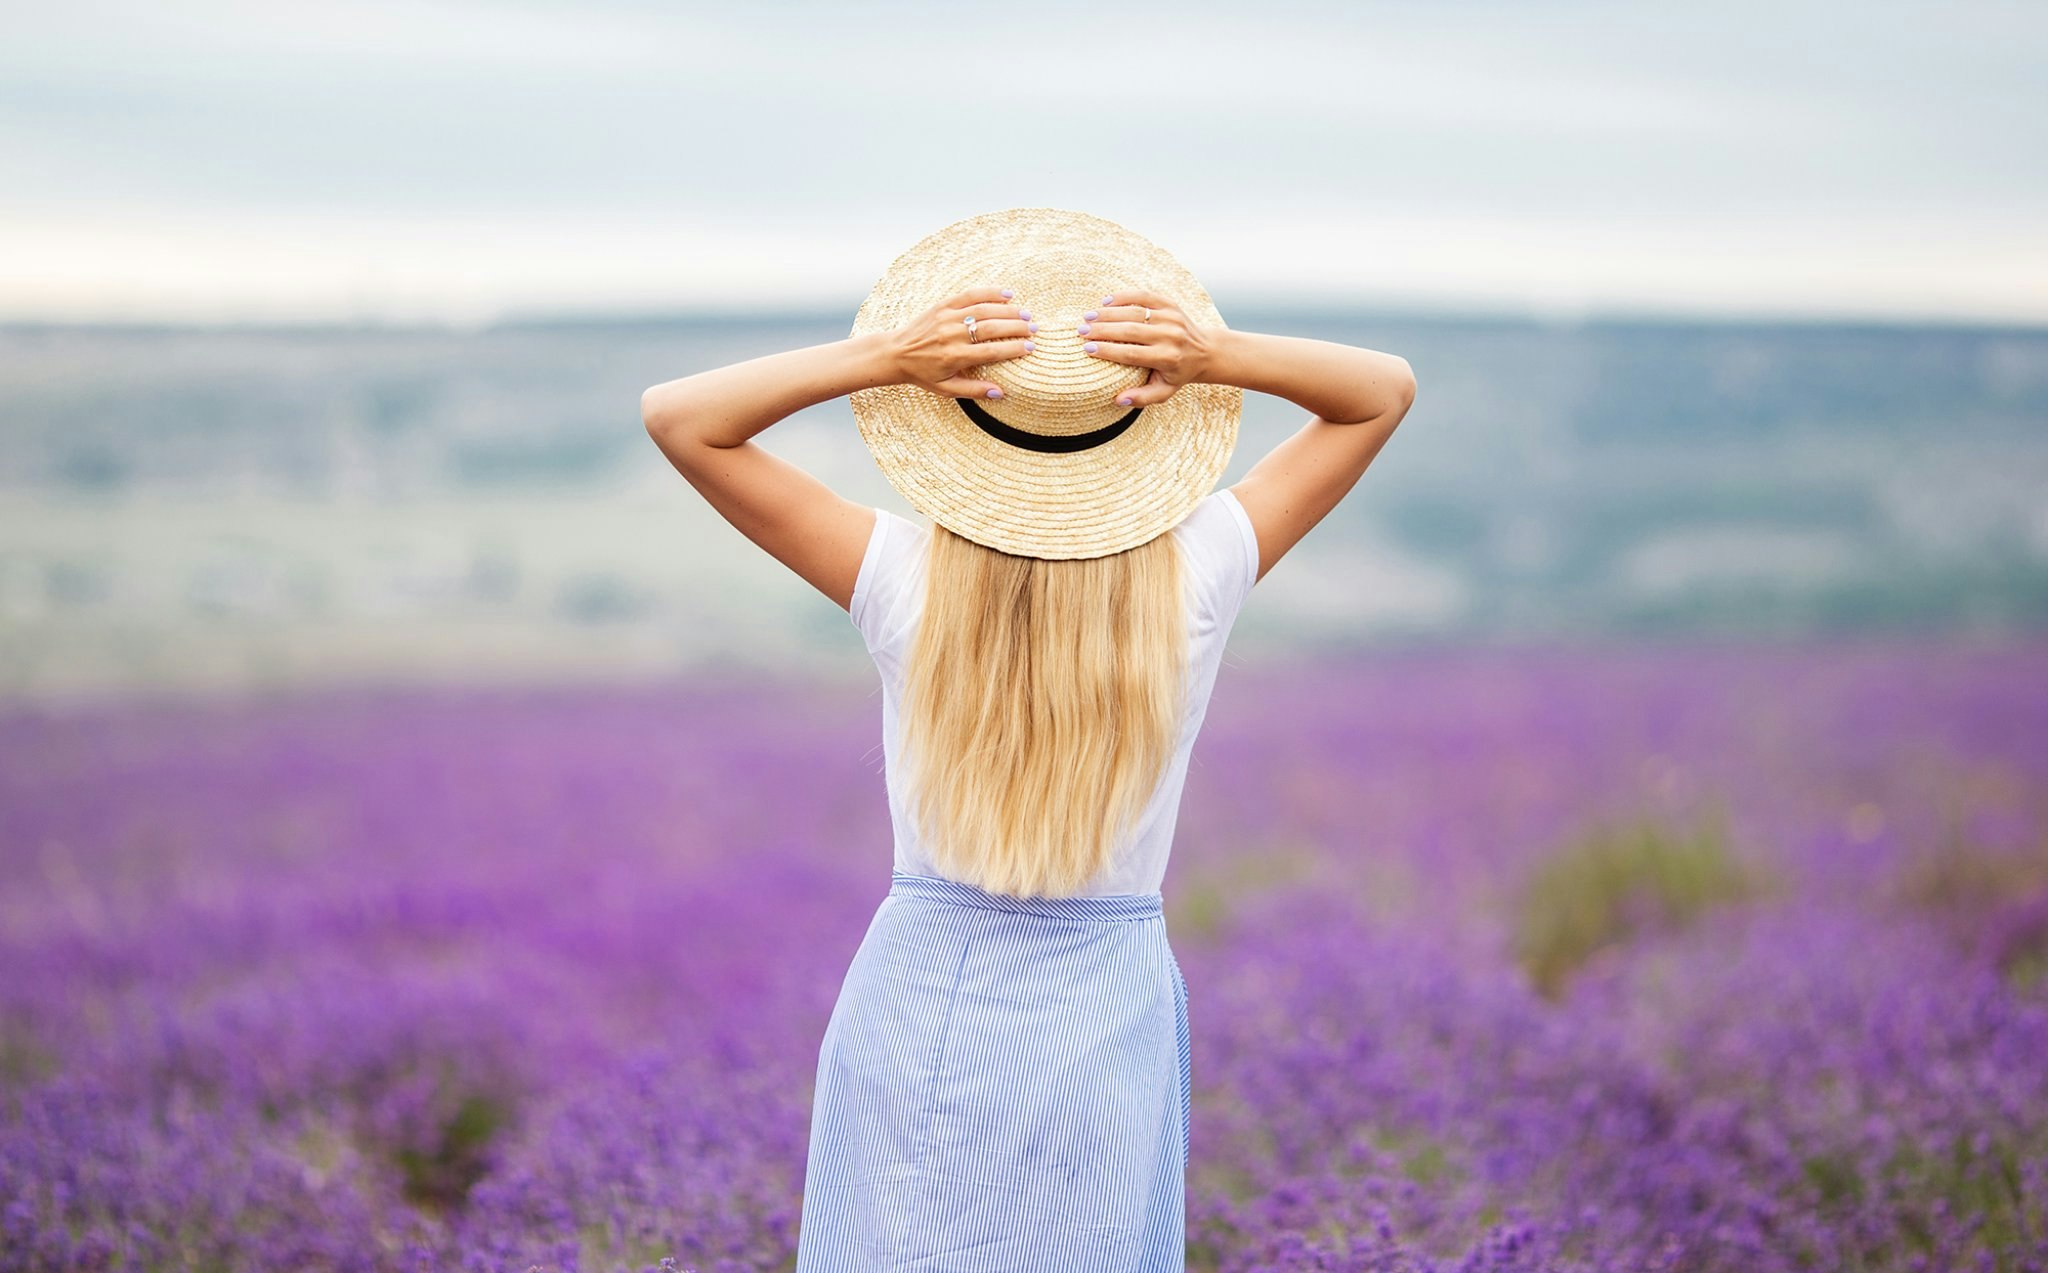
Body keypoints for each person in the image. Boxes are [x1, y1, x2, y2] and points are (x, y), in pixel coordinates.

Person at [640, 208, 1416, 1271]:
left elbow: (680, 417)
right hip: (1108, 1003)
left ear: (959, 441)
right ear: (1139, 435)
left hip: (917, 992)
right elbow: (1381, 392)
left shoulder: (899, 578)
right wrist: (1210, 355)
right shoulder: (1201, 574)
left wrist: (889, 357)